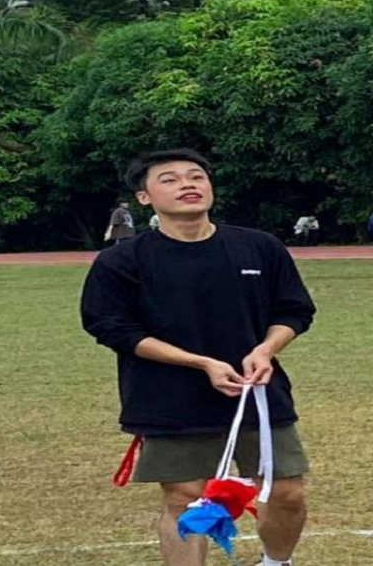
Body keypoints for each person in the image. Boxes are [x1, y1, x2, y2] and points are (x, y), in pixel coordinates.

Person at [81, 149, 316, 566]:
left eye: (196, 176)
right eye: (169, 179)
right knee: (184, 497)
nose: (187, 185)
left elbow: (294, 310)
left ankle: (276, 562)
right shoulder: (123, 260)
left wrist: (266, 349)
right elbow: (112, 328)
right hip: (169, 395)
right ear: (144, 197)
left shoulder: (259, 247)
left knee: (286, 492)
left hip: (256, 393)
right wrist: (200, 363)